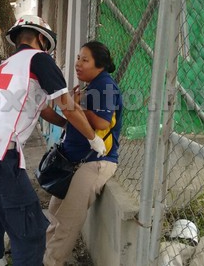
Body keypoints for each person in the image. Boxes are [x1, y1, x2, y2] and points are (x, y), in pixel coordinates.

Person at [0, 15, 107, 266]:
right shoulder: (39, 60)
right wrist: (93, 138)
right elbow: (68, 106)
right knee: (30, 231)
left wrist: (64, 125)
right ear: (41, 39)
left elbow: (41, 109)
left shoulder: (2, 67)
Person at [44, 41, 123, 266]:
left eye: (84, 60)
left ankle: (51, 261)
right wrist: (73, 107)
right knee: (55, 212)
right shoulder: (91, 85)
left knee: (67, 219)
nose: (78, 63)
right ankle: (49, 257)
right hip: (75, 160)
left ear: (100, 64)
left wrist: (75, 107)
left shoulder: (104, 85)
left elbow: (102, 121)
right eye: (78, 58)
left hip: (95, 162)